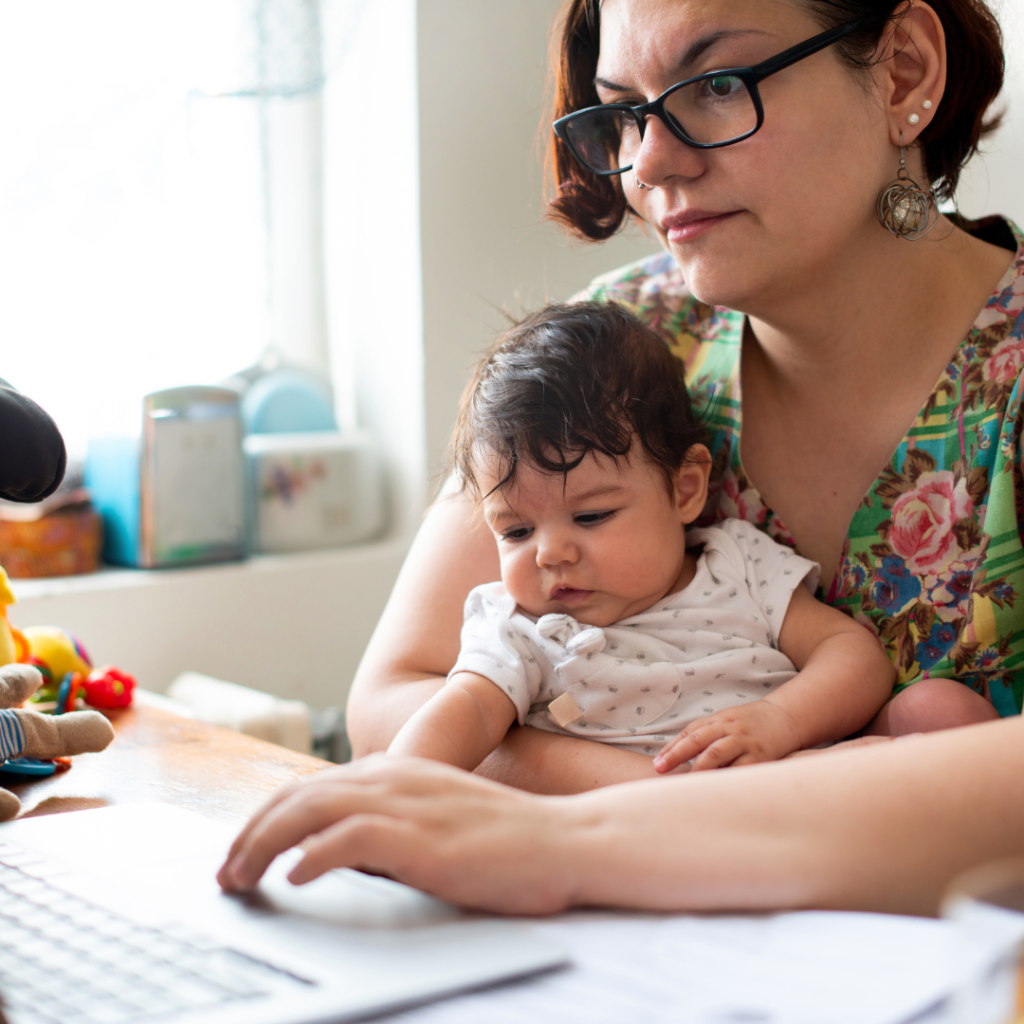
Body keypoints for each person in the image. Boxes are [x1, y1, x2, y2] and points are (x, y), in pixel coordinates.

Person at [219, 0, 1024, 915]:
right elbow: (392, 702)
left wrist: (592, 834)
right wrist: (659, 800)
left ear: (905, 69)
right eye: (625, 113)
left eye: (717, 85)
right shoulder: (623, 349)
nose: (649, 163)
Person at [390, 301, 896, 773]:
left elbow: (851, 653)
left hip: (792, 789)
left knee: (930, 710)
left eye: (591, 516)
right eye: (517, 531)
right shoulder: (520, 631)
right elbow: (466, 713)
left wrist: (782, 718)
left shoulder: (736, 564)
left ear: (685, 489)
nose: (550, 553)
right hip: (630, 823)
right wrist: (393, 783)